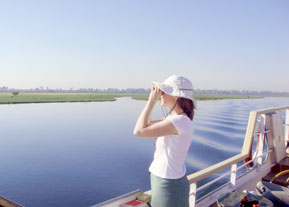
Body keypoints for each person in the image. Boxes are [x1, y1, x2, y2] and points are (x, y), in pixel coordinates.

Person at [134, 75, 196, 207]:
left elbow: (138, 130)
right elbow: (146, 124)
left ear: (176, 96)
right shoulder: (176, 119)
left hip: (168, 185)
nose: (160, 95)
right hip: (166, 182)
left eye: (164, 91)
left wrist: (151, 101)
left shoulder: (179, 121)